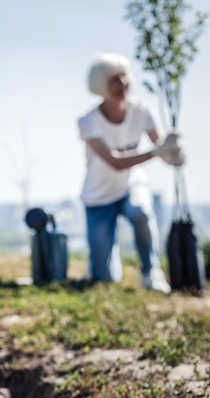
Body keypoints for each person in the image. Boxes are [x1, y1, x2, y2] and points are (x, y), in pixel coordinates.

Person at [78, 53, 183, 293]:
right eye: (114, 79)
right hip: (98, 196)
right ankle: (100, 261)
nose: (122, 83)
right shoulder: (88, 122)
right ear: (100, 85)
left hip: (130, 186)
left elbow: (162, 148)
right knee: (105, 279)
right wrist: (158, 152)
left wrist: (175, 154)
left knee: (141, 213)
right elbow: (114, 162)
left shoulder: (142, 110)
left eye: (124, 76)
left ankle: (150, 272)